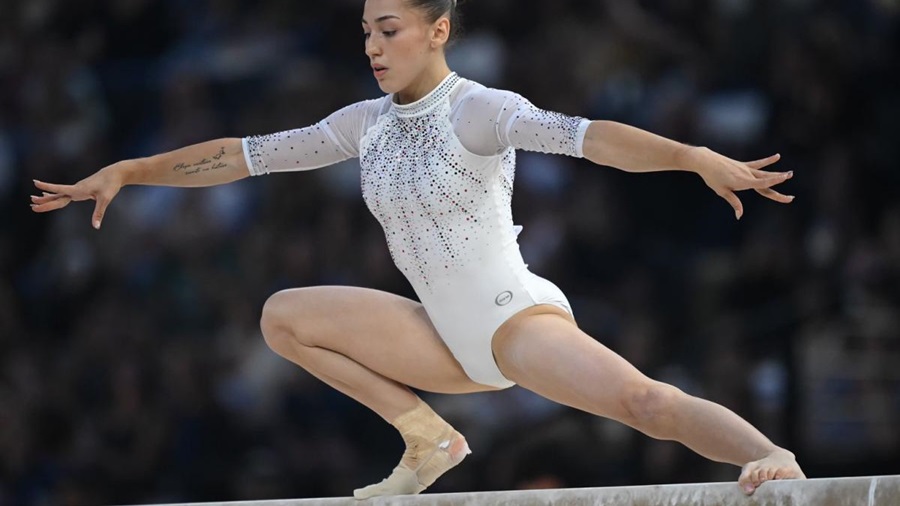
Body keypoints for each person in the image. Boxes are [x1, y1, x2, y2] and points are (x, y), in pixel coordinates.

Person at [31, 0, 805, 499]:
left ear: (438, 29)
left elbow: (592, 141)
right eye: (365, 30)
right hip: (440, 335)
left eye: (388, 29)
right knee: (284, 317)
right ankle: (428, 435)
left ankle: (773, 456)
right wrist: (131, 170)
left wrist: (690, 155)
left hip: (510, 319)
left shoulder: (481, 110)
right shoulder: (360, 124)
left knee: (645, 403)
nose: (372, 44)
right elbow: (243, 154)